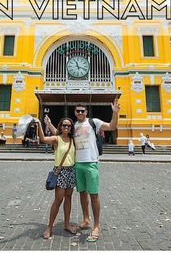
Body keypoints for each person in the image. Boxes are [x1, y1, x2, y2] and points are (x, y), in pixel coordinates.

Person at [45, 98, 120, 242]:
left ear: (86, 112)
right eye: (77, 111)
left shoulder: (94, 122)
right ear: (75, 112)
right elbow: (60, 135)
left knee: (94, 195)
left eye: (82, 111)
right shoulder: (73, 127)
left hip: (91, 163)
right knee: (82, 194)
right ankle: (86, 220)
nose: (80, 113)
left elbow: (111, 126)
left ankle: (96, 226)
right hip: (77, 165)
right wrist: (49, 124)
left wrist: (115, 113)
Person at [36, 117, 76, 239]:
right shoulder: (56, 139)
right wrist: (39, 124)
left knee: (68, 198)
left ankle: (67, 224)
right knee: (58, 200)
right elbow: (42, 139)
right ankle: (49, 226)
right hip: (61, 171)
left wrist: (49, 123)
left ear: (71, 128)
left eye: (69, 126)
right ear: (61, 127)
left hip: (71, 171)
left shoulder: (73, 139)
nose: (66, 127)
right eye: (64, 125)